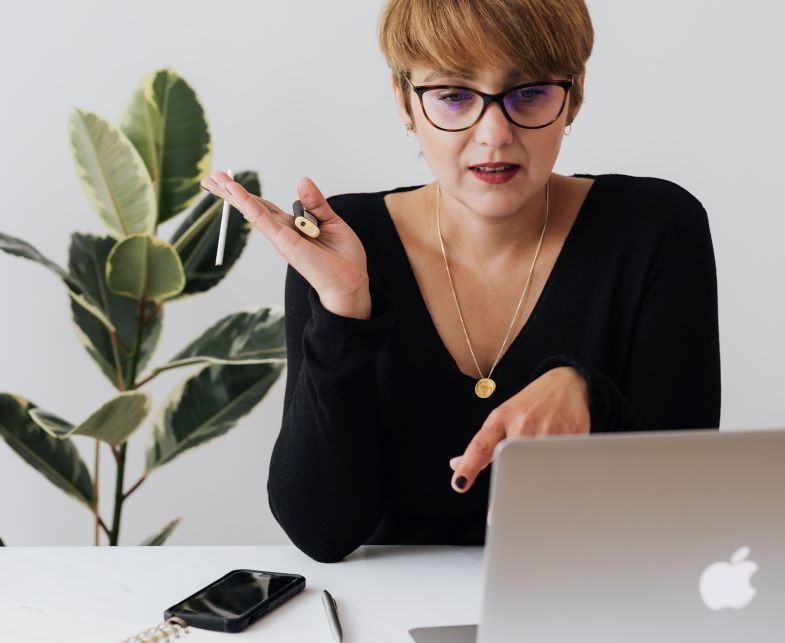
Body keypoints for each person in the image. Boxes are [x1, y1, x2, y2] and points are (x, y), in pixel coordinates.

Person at [200, 0, 721, 563]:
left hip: (593, 602)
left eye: (529, 93)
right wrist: (343, 309)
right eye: (453, 95)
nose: (494, 134)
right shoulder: (346, 239)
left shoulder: (655, 227)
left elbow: (684, 507)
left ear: (574, 96)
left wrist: (590, 397)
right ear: (404, 100)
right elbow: (323, 532)